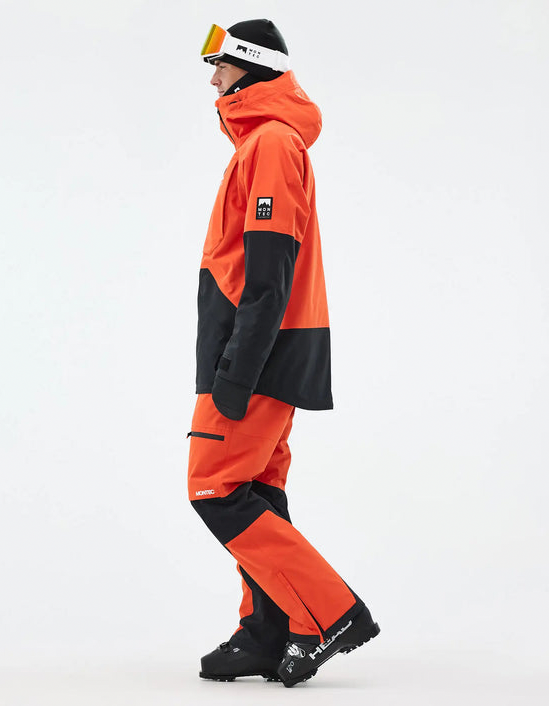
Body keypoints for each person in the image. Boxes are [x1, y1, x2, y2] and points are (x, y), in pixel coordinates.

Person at [188, 19, 380, 688]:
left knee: (214, 488)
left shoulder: (270, 142)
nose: (214, 80)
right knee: (257, 492)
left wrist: (236, 370)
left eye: (221, 65)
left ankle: (328, 614)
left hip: (254, 358)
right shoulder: (263, 142)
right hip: (261, 352)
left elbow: (269, 275)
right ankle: (267, 630)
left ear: (251, 67)